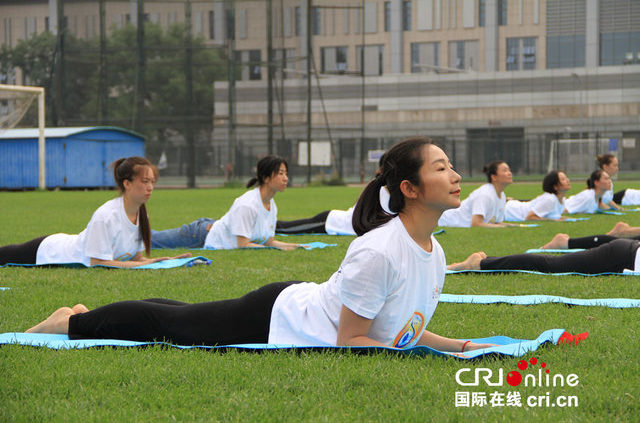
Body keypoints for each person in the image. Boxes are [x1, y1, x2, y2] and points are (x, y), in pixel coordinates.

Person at [25, 138, 494, 353]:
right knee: (167, 323)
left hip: (289, 304)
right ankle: (70, 324)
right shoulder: (381, 250)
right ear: (410, 188)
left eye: (450, 165)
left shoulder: (431, 254)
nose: (455, 176)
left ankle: (79, 314)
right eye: (441, 167)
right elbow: (352, 339)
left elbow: (399, 330)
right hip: (275, 318)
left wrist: (453, 344)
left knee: (180, 312)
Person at [0, 157, 189, 268]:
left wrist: (163, 261)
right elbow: (99, 262)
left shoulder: (142, 215)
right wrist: (146, 265)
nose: (150, 188)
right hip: (47, 251)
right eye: (145, 182)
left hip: (58, 244)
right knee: (5, 256)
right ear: (127, 184)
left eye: (152, 182)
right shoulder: (106, 215)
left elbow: (136, 257)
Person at [151, 156, 301, 251]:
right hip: (200, 236)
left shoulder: (271, 204)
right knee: (152, 240)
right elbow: (243, 245)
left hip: (210, 227)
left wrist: (294, 246)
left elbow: (269, 241)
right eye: (280, 173)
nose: (286, 178)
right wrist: (277, 250)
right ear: (266, 178)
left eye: (286, 173)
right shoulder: (247, 205)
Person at [448, 233, 640, 274]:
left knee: (552, 264)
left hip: (627, 252)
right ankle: (481, 264)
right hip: (622, 255)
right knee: (552, 265)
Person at [275, 188, 391, 236]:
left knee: (288, 227)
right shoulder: (382, 192)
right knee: (286, 228)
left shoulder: (382, 192)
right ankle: (267, 227)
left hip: (334, 219)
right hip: (332, 222)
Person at [437, 160, 514, 228]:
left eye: (509, 170)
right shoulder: (485, 195)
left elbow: (496, 223)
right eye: (505, 171)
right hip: (442, 220)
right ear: (494, 177)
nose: (509, 173)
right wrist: (502, 227)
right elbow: (476, 224)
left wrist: (512, 226)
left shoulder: (502, 195)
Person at [504, 170, 571, 222]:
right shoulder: (550, 199)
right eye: (563, 180)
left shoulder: (562, 200)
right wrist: (554, 221)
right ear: (555, 186)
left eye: (566, 178)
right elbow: (530, 217)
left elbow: (551, 216)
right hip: (510, 210)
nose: (568, 180)